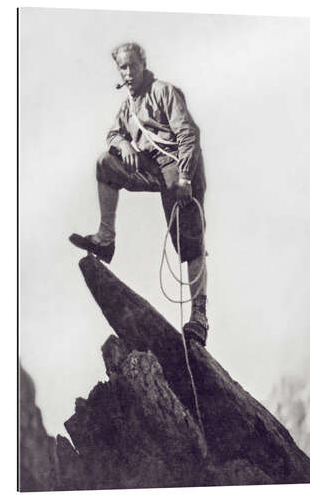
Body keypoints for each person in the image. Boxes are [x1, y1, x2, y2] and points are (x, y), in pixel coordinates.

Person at [70, 42, 209, 346]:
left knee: (188, 240)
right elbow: (113, 134)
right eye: (123, 67)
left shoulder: (163, 91)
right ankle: (106, 239)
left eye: (132, 65)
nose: (128, 72)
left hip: (179, 167)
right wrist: (124, 145)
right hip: (151, 167)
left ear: (143, 64)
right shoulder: (128, 106)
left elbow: (188, 135)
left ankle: (199, 316)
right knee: (104, 164)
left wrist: (185, 177)